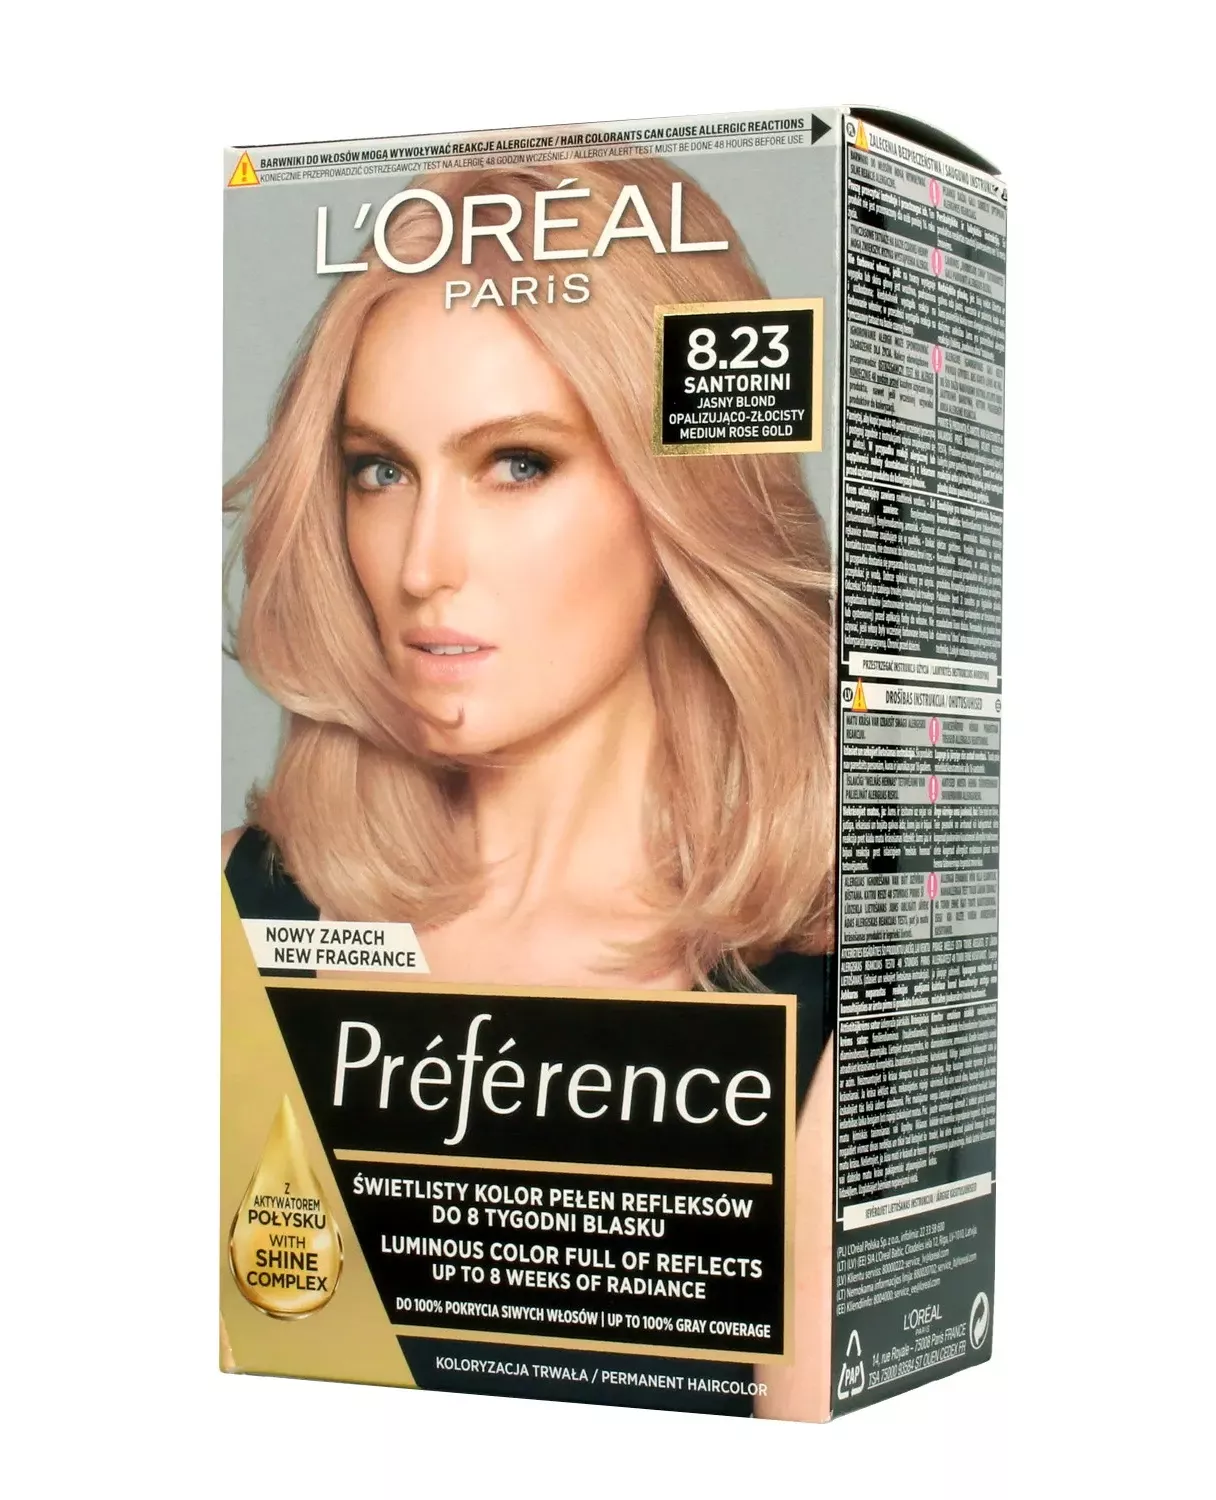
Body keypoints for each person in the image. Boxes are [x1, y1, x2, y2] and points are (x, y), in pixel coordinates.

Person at [224, 154, 835, 1418]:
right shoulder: (241, 911)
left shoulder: (837, 1003)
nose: (422, 566)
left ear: (679, 491)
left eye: (517, 463)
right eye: (380, 470)